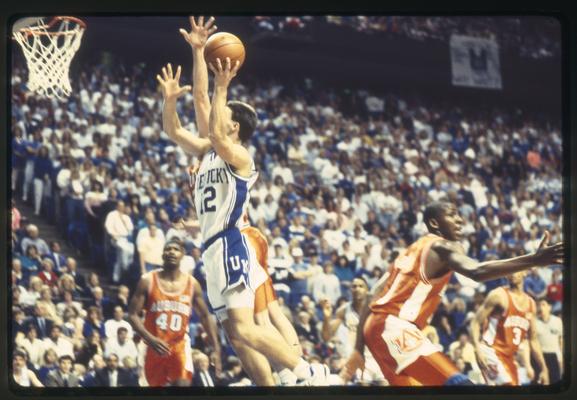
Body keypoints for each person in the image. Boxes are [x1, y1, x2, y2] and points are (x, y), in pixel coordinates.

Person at [157, 16, 328, 386]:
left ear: (235, 127)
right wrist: (195, 57)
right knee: (238, 336)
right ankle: (271, 385)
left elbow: (214, 122)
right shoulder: (208, 150)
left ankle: (307, 373)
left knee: (250, 327)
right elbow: (177, 125)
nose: (217, 116)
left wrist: (222, 86)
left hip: (236, 241)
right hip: (211, 247)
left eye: (224, 117)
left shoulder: (239, 156)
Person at [343, 201, 563, 386]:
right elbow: (476, 271)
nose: (459, 220)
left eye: (459, 215)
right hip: (394, 328)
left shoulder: (410, 251)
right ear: (434, 223)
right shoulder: (444, 246)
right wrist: (534, 260)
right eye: (452, 215)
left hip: (375, 330)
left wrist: (358, 349)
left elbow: (371, 296)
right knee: (461, 387)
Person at [128, 238, 221, 387]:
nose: (171, 252)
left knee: (183, 385)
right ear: (163, 254)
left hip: (179, 345)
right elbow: (132, 315)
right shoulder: (147, 280)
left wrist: (215, 348)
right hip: (152, 345)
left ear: (183, 254)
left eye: (176, 249)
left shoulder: (192, 284)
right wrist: (150, 339)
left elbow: (205, 316)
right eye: (168, 249)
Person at [470, 270, 549, 385]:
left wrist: (544, 368)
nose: (512, 273)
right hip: (490, 351)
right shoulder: (498, 295)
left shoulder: (531, 304)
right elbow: (475, 323)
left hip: (509, 357)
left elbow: (533, 339)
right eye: (509, 271)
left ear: (525, 272)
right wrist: (477, 349)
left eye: (516, 270)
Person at [320, 277, 385, 384]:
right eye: (354, 286)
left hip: (376, 356)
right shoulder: (344, 310)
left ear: (367, 290)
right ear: (350, 290)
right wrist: (326, 318)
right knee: (362, 385)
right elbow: (326, 337)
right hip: (356, 356)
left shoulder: (376, 308)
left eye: (361, 286)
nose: (357, 289)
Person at [534, 298, 563, 384]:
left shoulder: (557, 321)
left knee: (555, 382)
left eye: (543, 304)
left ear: (549, 307)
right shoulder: (534, 322)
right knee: (540, 384)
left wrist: (562, 356)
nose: (540, 307)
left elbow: (561, 340)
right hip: (540, 357)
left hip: (554, 356)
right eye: (538, 305)